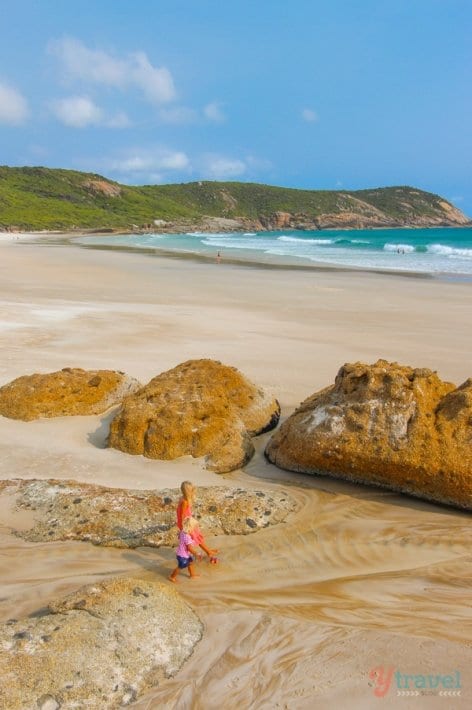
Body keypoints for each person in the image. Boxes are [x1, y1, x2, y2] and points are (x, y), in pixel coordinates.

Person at [177, 481, 218, 560]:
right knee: (196, 537)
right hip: (187, 523)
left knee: (197, 536)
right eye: (192, 490)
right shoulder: (185, 502)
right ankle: (208, 552)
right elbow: (182, 515)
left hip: (188, 521)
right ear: (189, 492)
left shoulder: (182, 498)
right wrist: (184, 527)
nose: (193, 492)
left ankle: (208, 550)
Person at [169, 517, 201, 582]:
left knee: (190, 563)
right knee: (181, 566)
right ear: (190, 527)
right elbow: (189, 548)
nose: (195, 529)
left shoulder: (182, 532)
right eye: (194, 528)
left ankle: (192, 575)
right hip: (182, 555)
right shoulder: (187, 537)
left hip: (184, 553)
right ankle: (172, 577)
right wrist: (196, 554)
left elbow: (179, 537)